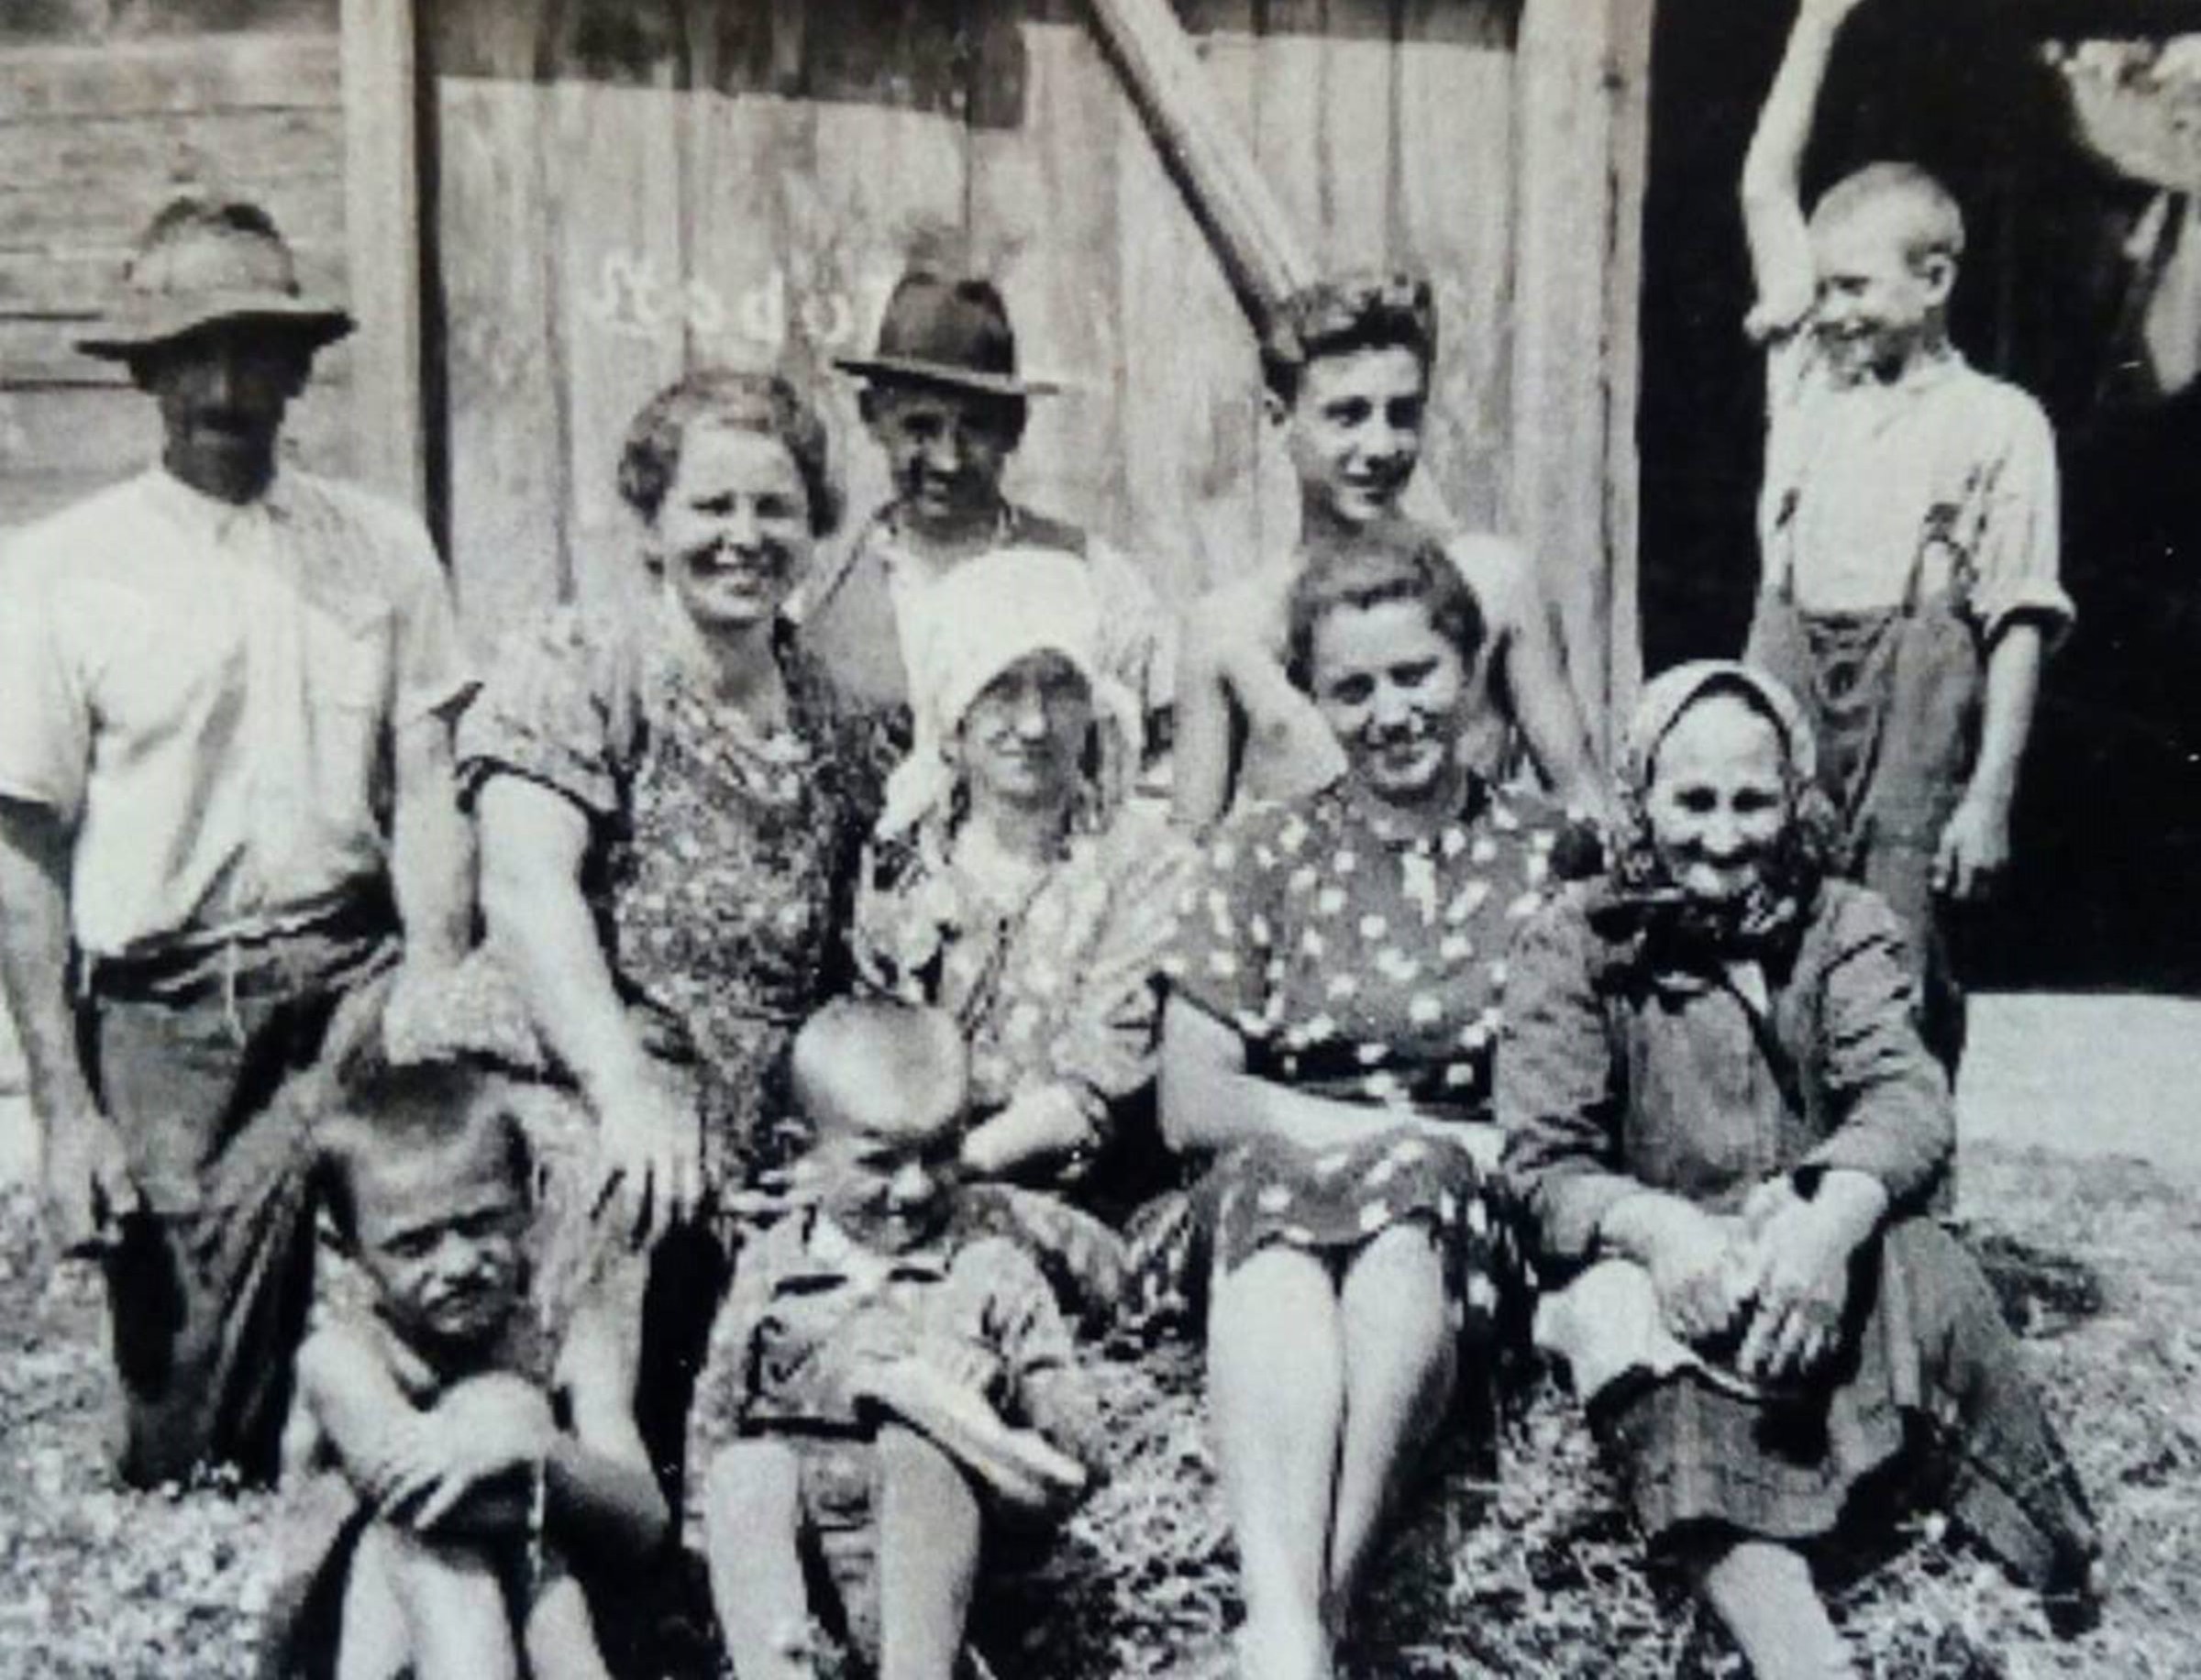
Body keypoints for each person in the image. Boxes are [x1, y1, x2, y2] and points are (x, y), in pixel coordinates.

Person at [1499, 661, 2101, 1680]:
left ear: (1794, 799)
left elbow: (1905, 1096)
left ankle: (2045, 1577)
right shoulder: (1574, 940)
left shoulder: (1845, 923)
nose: (1723, 836)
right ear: (1641, 797)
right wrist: (1660, 1230)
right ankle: (1802, 1655)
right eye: (1693, 801)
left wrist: (1827, 1222)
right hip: (1664, 1264)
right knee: (1627, 1328)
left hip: (1810, 1242)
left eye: (1752, 801)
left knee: (1925, 1264)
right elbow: (1543, 1161)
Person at [0, 197, 473, 1487]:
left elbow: (431, 779)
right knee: (190, 1443)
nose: (226, 390)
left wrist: (437, 981)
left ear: (301, 366)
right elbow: (25, 849)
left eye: (258, 352)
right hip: (169, 1013)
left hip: (352, 979)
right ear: (146, 373)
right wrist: (65, 1110)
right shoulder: (58, 570)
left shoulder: (381, 547)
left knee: (458, 1240)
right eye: (193, 356)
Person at [457, 368, 886, 1487]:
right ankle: (584, 1511)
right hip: (577, 1063)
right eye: (711, 505)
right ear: (651, 524)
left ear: (815, 527)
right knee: (619, 1194)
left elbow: (848, 964)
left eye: (775, 507)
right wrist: (623, 1089)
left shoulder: (835, 718)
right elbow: (527, 890)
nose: (745, 536)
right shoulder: (582, 668)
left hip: (752, 1117)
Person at [1157, 532, 1558, 1680]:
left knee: (1405, 1207)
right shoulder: (1263, 850)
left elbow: (1581, 1091)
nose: (1391, 713)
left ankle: (1302, 1621)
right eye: (1352, 688)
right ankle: (1297, 1631)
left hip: (1458, 1204)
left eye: (1415, 673)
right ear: (1315, 699)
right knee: (1282, 1209)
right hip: (1287, 1177)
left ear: (1469, 666)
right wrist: (1401, 1134)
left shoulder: (1552, 858)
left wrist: (1436, 1154)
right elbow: (1192, 1100)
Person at [1739, 0, 2073, 1074]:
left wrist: (1989, 797)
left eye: (1854, 287)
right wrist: (1816, 24)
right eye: (1821, 285)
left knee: (1895, 959)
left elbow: (2018, 621)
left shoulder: (1999, 423)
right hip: (1787, 689)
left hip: (1916, 730)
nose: (1830, 309)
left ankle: (1903, 1160)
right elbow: (1764, 186)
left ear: (1933, 282)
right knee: (1761, 929)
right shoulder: (1805, 377)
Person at [694, 1000, 1106, 1680]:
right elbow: (715, 1418)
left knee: (920, 1454)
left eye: (941, 1153)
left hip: (944, 1593)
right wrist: (700, 1565)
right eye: (880, 1162)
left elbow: (1080, 1448)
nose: (915, 1188)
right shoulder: (771, 1267)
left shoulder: (988, 1266)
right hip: (808, 1579)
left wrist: (996, 1390)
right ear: (801, 1153)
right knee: (747, 1472)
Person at [270, 1041, 668, 1680]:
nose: (457, 1264)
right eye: (414, 1245)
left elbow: (644, 1521)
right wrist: (507, 1444)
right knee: (438, 1558)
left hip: (537, 1621)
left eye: (482, 1223)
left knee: (509, 1416)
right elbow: (421, 1504)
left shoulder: (566, 1333)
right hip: (366, 1636)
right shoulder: (342, 1359)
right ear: (345, 1247)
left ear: (532, 1198)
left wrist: (539, 1451)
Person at [1171, 271, 1603, 833]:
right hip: (1304, 885)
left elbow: (1583, 799)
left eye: (1401, 414)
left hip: (1471, 880)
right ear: (1280, 419)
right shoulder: (1226, 627)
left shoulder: (1495, 584)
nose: (1380, 446)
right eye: (1347, 415)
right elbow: (1190, 849)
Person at [854, 545, 1188, 1202]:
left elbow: (1096, 1083)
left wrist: (949, 1171)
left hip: (1085, 1198)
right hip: (907, 1186)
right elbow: (872, 1063)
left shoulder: (1148, 867)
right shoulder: (900, 864)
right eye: (1001, 687)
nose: (1034, 723)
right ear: (954, 712)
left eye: (1060, 686)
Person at [802, 265, 1177, 777]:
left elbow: (1169, 748)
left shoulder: (1090, 576)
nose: (948, 459)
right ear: (873, 416)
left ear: (1013, 428)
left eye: (975, 428)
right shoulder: (818, 587)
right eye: (920, 427)